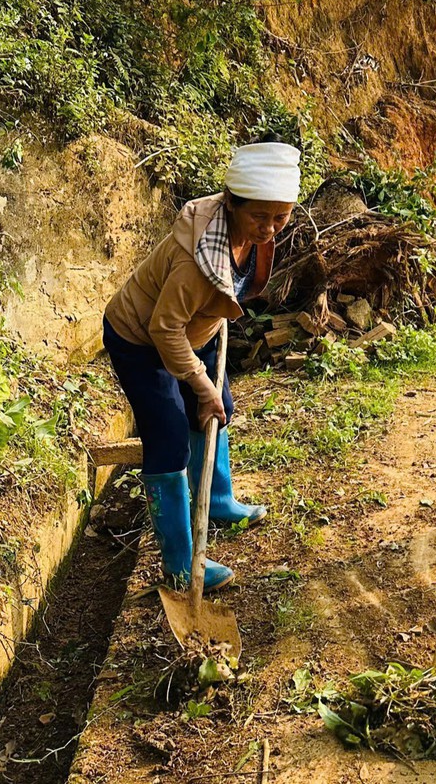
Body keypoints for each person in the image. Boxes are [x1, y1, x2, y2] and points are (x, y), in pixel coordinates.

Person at [103, 138, 301, 591]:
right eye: (260, 217)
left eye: (280, 216)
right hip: (142, 338)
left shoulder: (251, 229)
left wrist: (209, 388)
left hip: (198, 329)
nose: (270, 228)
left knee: (219, 408)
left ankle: (218, 501)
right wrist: (198, 381)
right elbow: (162, 329)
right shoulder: (196, 263)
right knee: (169, 435)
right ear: (230, 202)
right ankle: (179, 565)